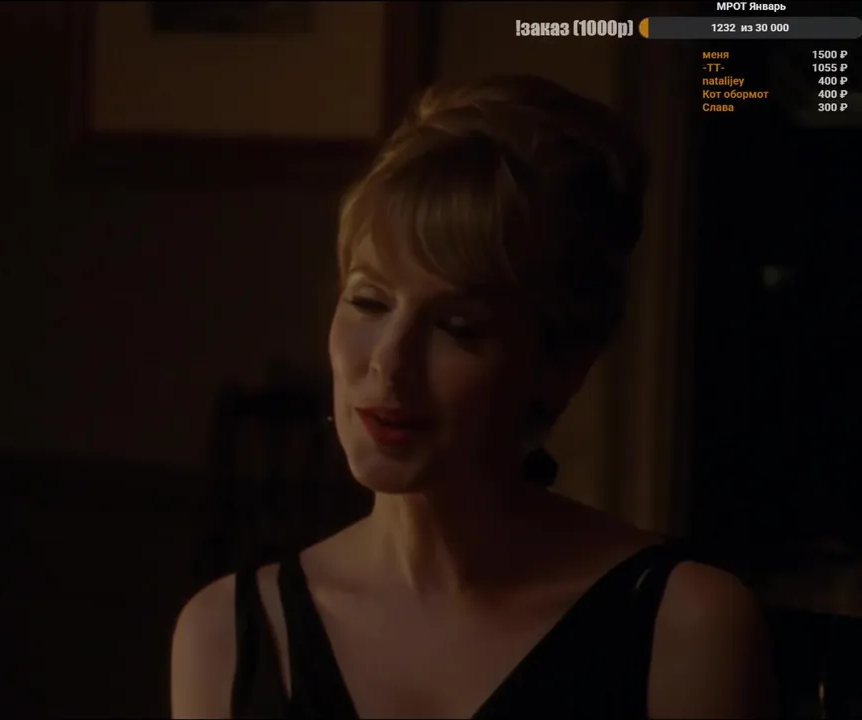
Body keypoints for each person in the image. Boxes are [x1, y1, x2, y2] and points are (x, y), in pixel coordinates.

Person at [170, 75, 776, 719]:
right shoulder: (227, 634)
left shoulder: (685, 626)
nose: (389, 362)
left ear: (560, 366)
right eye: (369, 302)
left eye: (458, 328)